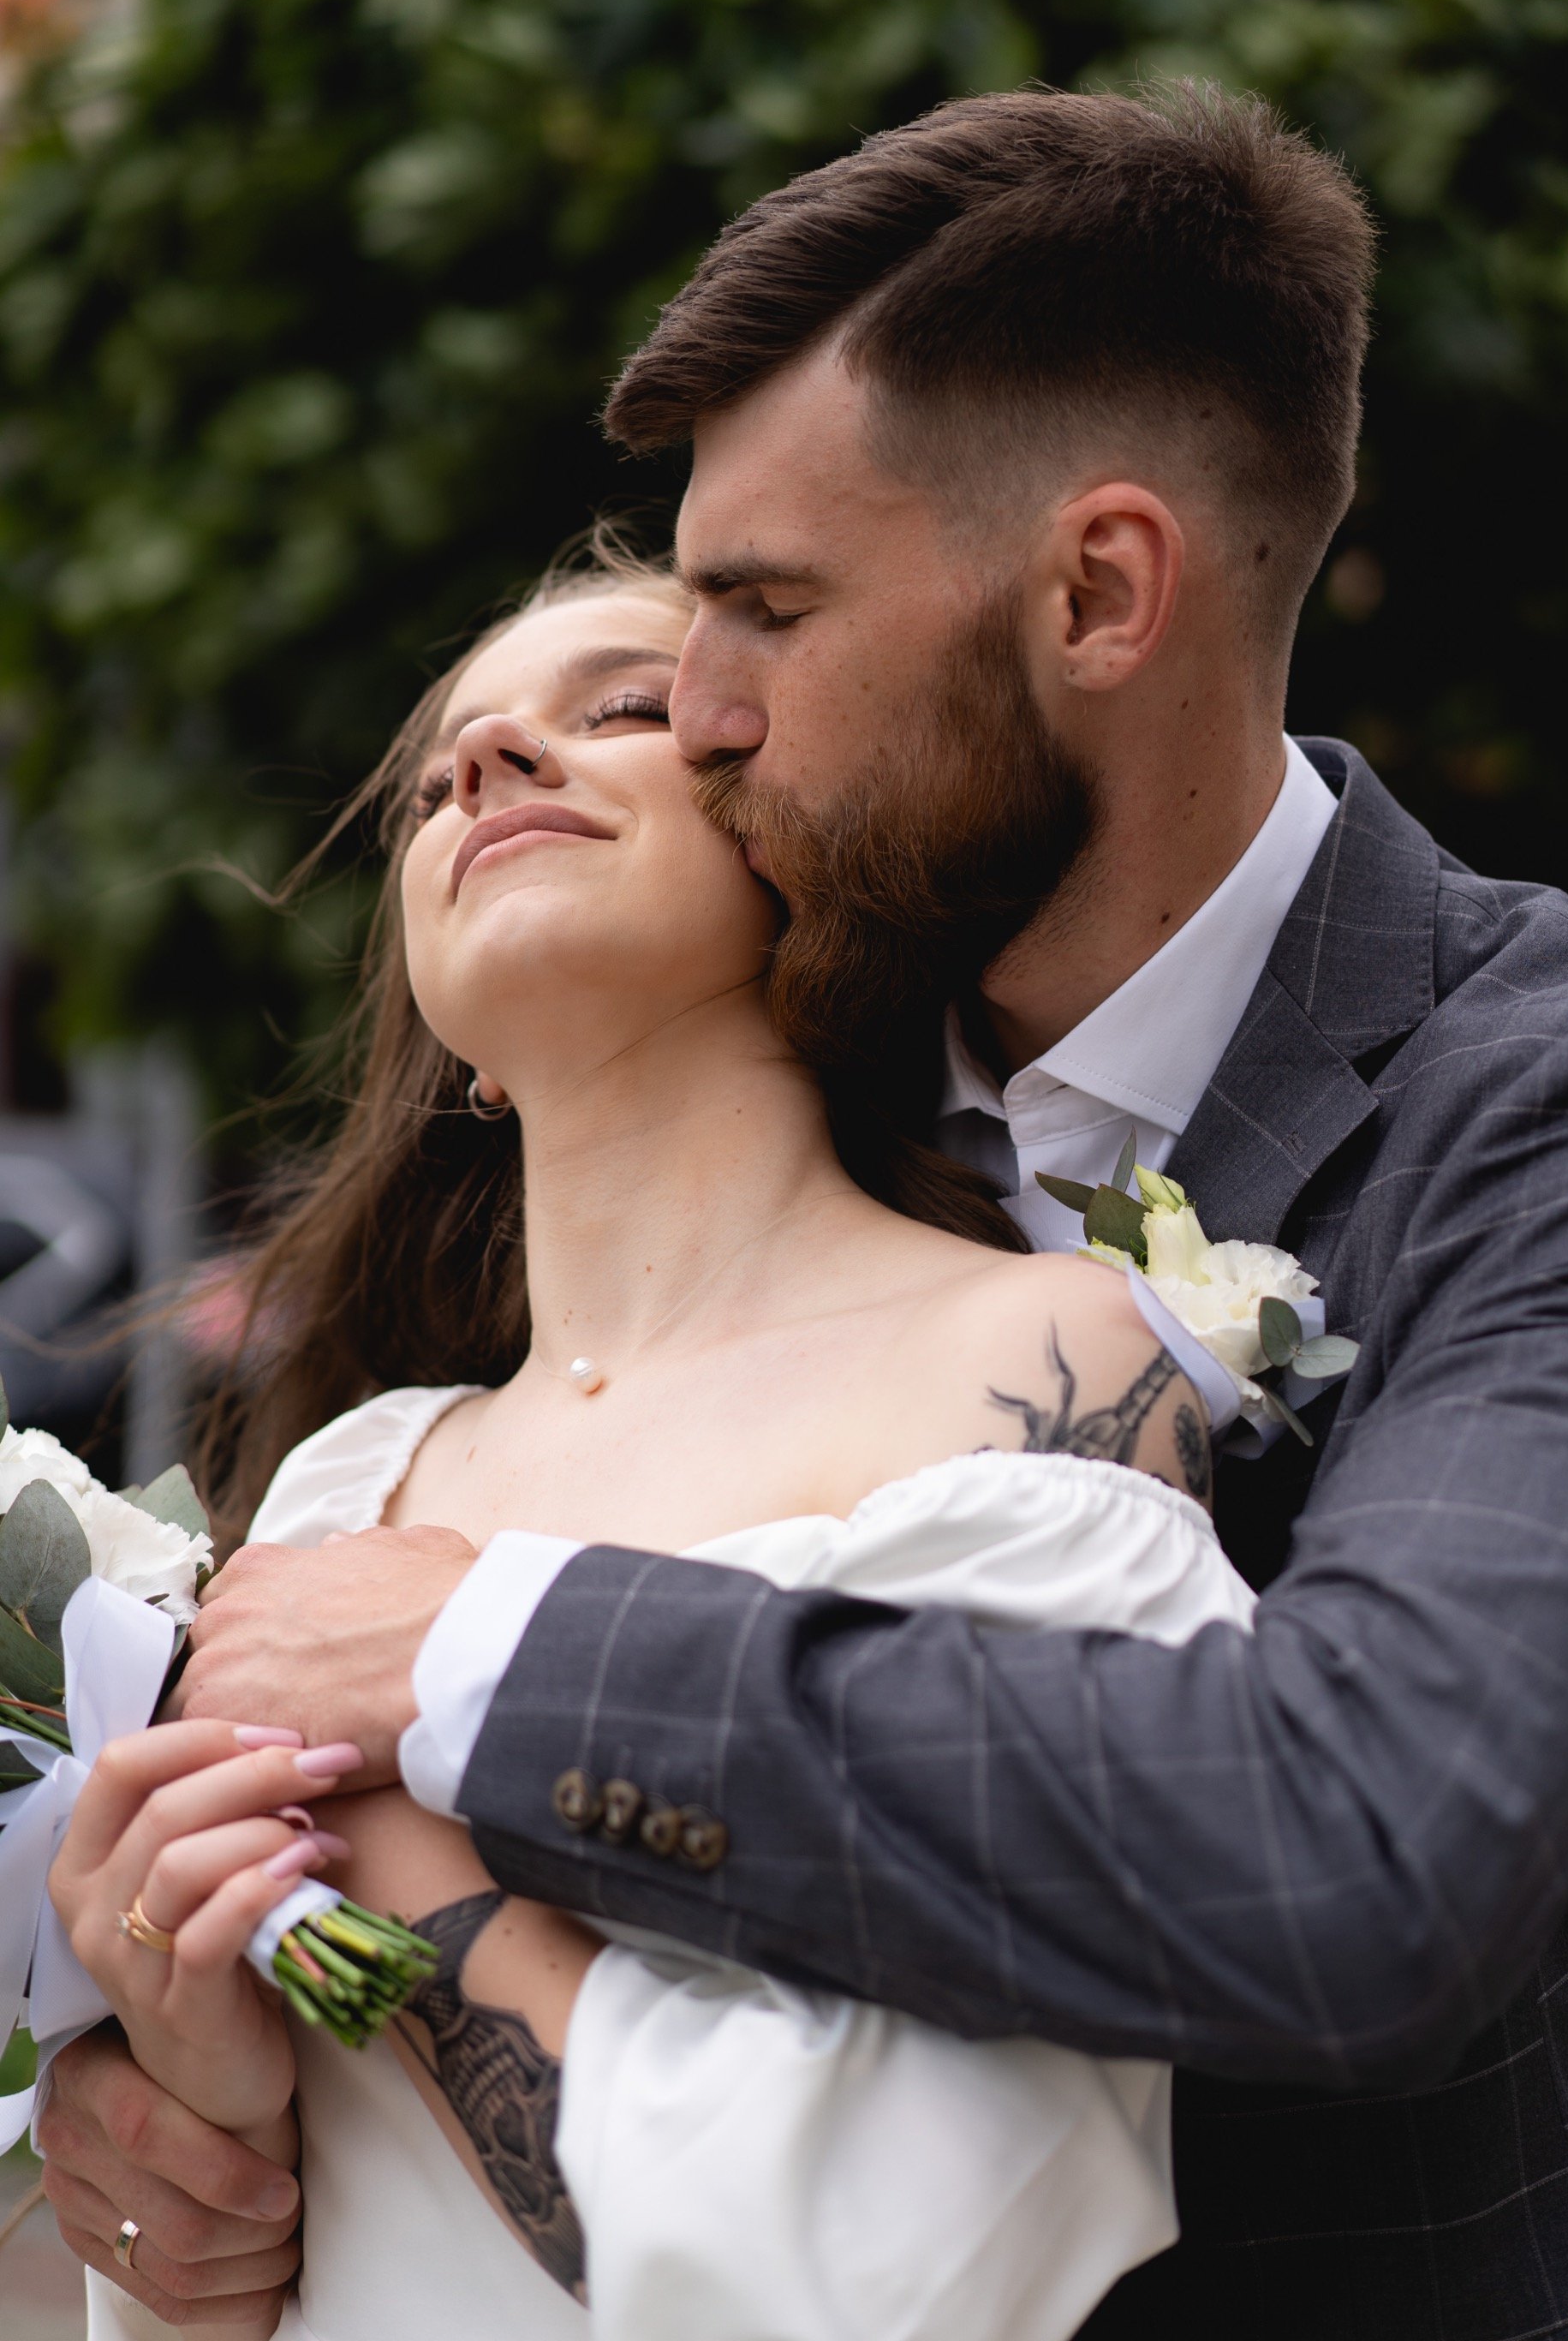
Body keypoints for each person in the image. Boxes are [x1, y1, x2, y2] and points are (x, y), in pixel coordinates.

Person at [48, 81, 1568, 2338]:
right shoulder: (762, 1031)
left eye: (764, 613)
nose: (693, 721)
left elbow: (1363, 1857)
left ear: (1100, 590)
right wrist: (178, 2124)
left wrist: (479, 1654)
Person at [45, 547, 1256, 2340]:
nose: (487, 766)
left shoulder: (1041, 1361)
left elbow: (885, 2266)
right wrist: (193, 2124)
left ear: (811, 844)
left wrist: (385, 1838)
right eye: (447, 765)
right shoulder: (346, 1482)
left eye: (620, 710)